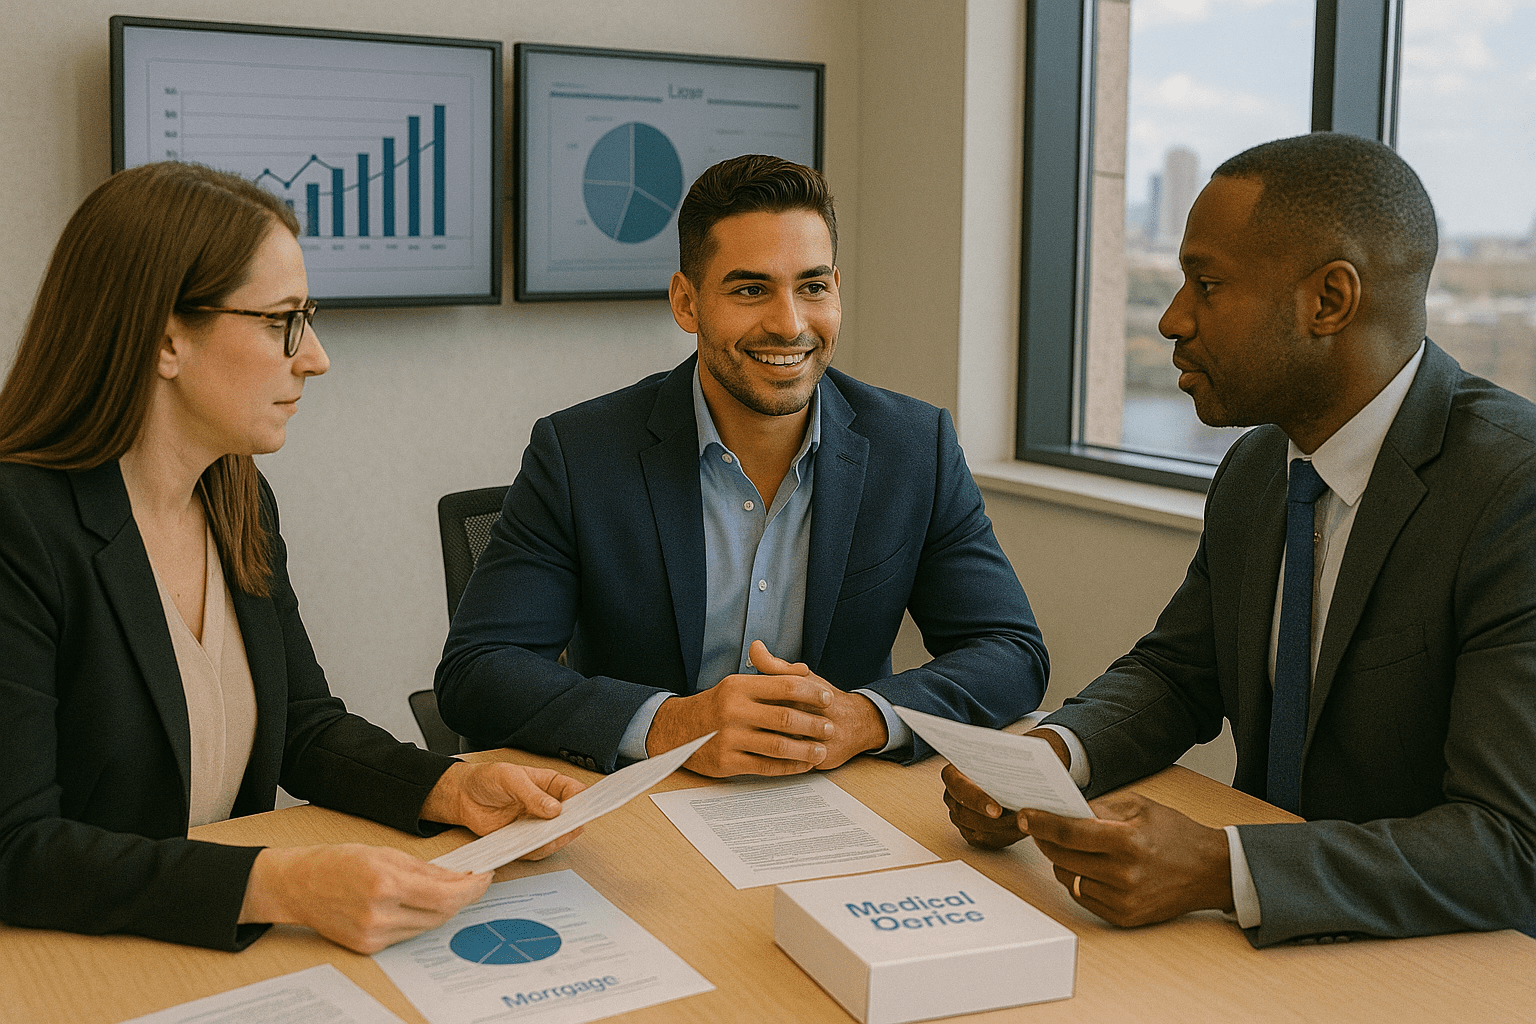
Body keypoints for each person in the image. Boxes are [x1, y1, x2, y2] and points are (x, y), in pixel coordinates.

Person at [943, 132, 1536, 946]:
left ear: (1329, 301)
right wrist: (1049, 758)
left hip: (1439, 963)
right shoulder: (1261, 466)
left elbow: (1510, 847)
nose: (1171, 319)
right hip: (1261, 950)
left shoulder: (1514, 493)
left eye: (1206, 283)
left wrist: (1222, 868)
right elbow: (1180, 673)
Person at [0, 162, 587, 954]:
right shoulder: (19, 525)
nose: (314, 356)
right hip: (82, 962)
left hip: (210, 954)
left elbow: (302, 730)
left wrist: (453, 785)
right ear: (166, 337)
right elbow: (17, 849)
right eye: (284, 320)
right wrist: (282, 883)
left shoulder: (237, 495)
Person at [437, 154, 1047, 778]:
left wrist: (862, 718)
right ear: (686, 303)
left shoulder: (916, 448)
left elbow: (1011, 652)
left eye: (812, 287)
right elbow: (478, 670)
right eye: (750, 289)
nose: (789, 324)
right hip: (646, 798)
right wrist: (673, 725)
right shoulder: (578, 453)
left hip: (840, 798)